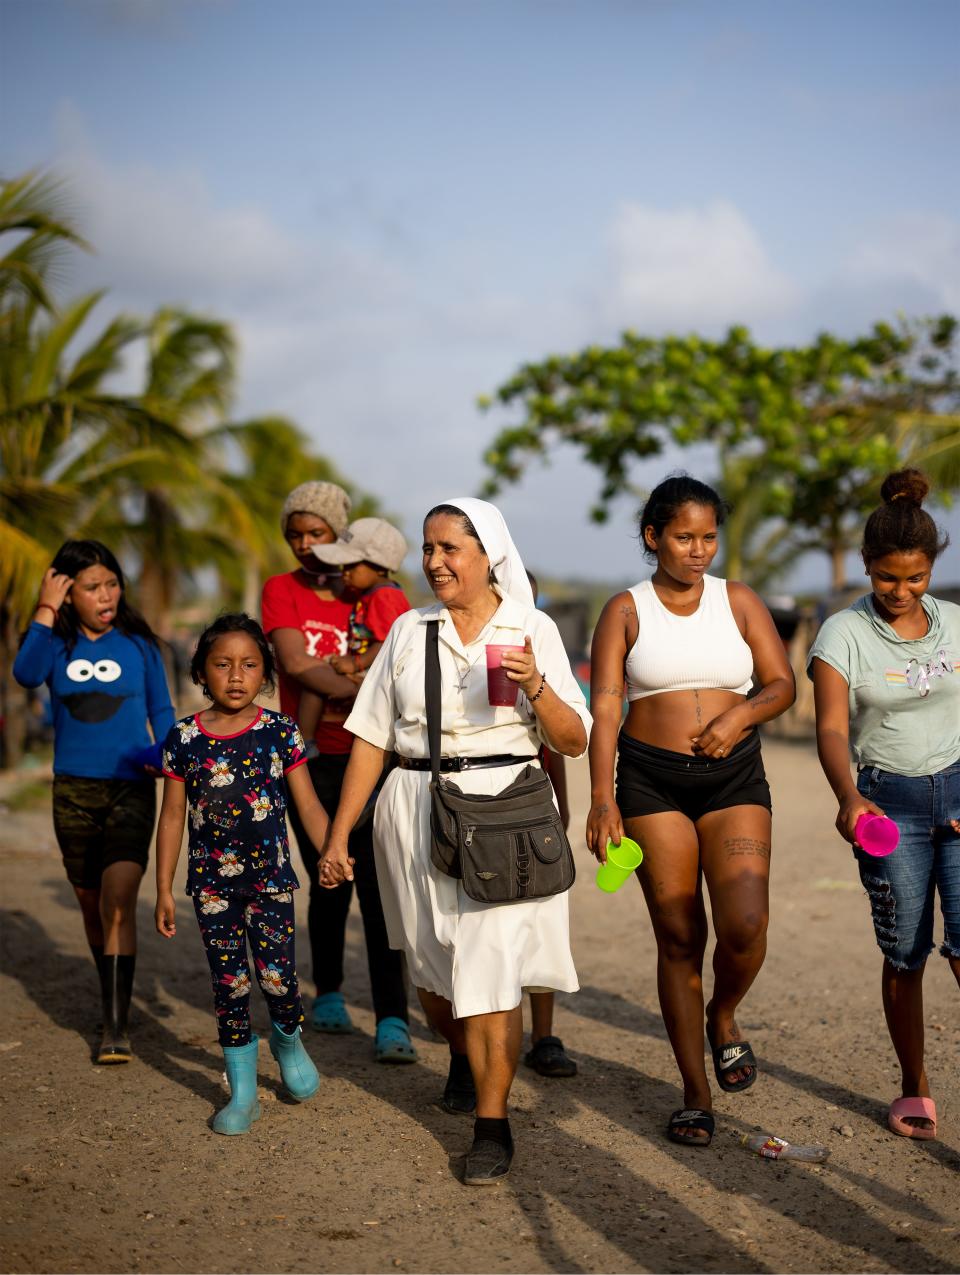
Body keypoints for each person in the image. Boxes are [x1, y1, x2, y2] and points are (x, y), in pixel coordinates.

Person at [320, 498, 591, 1185]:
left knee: (492, 976)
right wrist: (336, 833)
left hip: (504, 811)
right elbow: (371, 737)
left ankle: (493, 1124)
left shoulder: (532, 628)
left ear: (487, 554)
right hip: (414, 810)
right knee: (436, 986)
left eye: (448, 548)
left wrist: (537, 687)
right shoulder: (411, 631)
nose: (433, 561)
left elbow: (573, 739)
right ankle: (465, 1055)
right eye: (427, 548)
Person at [587, 475, 795, 1148]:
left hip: (734, 776)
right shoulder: (625, 609)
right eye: (684, 536)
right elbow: (608, 707)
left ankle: (724, 1013)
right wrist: (600, 797)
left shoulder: (738, 600)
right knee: (678, 933)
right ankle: (695, 1090)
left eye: (709, 536)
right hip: (651, 783)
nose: (699, 549)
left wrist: (739, 715)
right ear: (653, 537)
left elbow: (781, 683)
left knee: (747, 921)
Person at [808, 469, 959, 1142]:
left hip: (959, 794)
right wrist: (849, 795)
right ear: (867, 565)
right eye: (888, 578)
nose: (902, 592)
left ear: (933, 568)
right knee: (906, 952)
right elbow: (833, 728)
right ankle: (915, 1085)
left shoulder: (957, 624)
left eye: (917, 578)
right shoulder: (843, 631)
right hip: (886, 806)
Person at [154, 613, 328, 1135]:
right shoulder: (184, 737)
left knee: (278, 979)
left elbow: (309, 806)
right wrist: (162, 887)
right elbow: (171, 817)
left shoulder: (281, 732)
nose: (236, 675)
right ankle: (243, 1094)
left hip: (272, 882)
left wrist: (331, 851)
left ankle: (288, 1040)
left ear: (265, 675)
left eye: (249, 665)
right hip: (211, 886)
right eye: (223, 664)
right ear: (201, 673)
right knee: (229, 984)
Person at [261, 482, 413, 1062]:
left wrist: (364, 691)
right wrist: (363, 686)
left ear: (341, 537)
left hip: (371, 756)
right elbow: (296, 663)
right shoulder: (282, 591)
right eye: (295, 534)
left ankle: (393, 1016)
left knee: (379, 886)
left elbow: (396, 653)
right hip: (311, 755)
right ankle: (327, 993)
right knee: (330, 875)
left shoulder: (366, 590)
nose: (304, 545)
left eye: (317, 534)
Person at [13, 540, 175, 1064]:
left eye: (111, 583)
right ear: (66, 590)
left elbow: (163, 710)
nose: (105, 596)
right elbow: (25, 674)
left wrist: (171, 760)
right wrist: (44, 607)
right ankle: (112, 995)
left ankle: (115, 1026)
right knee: (91, 904)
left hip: (131, 785)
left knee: (120, 898)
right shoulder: (53, 644)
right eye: (90, 587)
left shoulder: (141, 644)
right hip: (73, 790)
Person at [522, 570, 577, 1079]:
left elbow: (556, 742)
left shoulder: (541, 650)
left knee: (541, 921)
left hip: (533, 803)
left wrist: (561, 807)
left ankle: (543, 1034)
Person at [298, 516, 411, 746]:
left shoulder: (384, 596)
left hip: (378, 670)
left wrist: (355, 663)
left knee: (315, 685)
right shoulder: (372, 594)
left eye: (351, 566)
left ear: (379, 566)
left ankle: (304, 743)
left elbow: (388, 642)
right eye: (342, 566)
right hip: (370, 667)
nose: (344, 573)